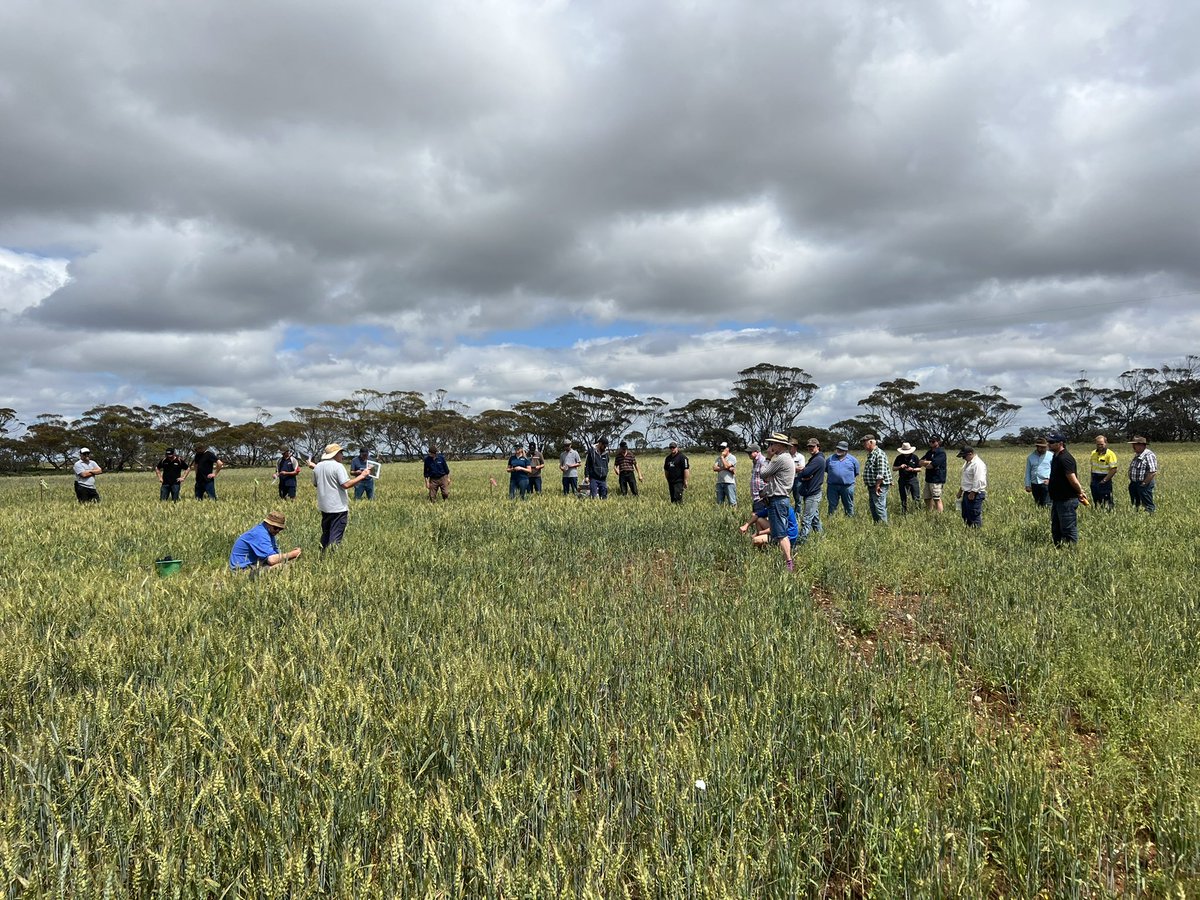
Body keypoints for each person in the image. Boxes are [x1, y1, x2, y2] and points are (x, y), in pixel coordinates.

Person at [312, 443, 371, 550]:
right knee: (336, 535)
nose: (342, 456)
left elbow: (315, 484)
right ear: (335, 454)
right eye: (341, 453)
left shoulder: (318, 466)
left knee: (326, 533)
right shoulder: (338, 466)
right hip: (338, 507)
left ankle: (322, 553)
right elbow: (346, 484)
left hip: (324, 506)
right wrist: (362, 476)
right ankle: (332, 555)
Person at [760, 433, 797, 571]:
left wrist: (768, 458)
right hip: (780, 499)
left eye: (772, 444)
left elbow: (763, 473)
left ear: (780, 445)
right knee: (779, 531)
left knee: (781, 534)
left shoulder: (780, 459)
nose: (770, 447)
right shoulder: (786, 458)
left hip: (778, 499)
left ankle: (789, 562)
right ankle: (786, 559)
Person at [1047, 433, 1088, 546]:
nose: (1049, 444)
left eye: (1052, 442)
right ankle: (1059, 549)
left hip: (1067, 500)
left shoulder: (1065, 458)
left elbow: (1073, 479)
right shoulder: (1056, 457)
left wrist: (1080, 492)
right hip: (1057, 499)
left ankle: (1072, 551)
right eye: (1048, 442)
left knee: (1068, 529)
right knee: (1056, 529)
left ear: (1060, 443)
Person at [229, 510, 301, 571]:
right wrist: (293, 554)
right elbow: (272, 560)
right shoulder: (260, 534)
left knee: (289, 565)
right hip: (241, 570)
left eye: (280, 529)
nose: (277, 531)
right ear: (267, 524)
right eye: (275, 528)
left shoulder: (269, 532)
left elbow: (276, 556)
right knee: (284, 567)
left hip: (254, 565)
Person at [796, 438, 826, 543]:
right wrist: (803, 474)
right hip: (811, 492)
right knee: (815, 519)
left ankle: (801, 542)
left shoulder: (818, 460)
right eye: (809, 446)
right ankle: (821, 538)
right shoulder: (814, 458)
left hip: (812, 493)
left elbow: (805, 473)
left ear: (818, 447)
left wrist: (801, 472)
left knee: (806, 520)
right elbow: (805, 474)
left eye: (813, 446)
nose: (810, 448)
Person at [861, 434, 891, 524]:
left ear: (871, 442)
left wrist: (878, 485)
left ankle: (884, 526)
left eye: (865, 443)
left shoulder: (879, 454)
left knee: (879, 506)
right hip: (872, 485)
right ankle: (877, 524)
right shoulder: (871, 454)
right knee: (873, 506)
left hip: (879, 485)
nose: (863, 445)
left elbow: (881, 472)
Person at [955, 446, 988, 527]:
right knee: (966, 515)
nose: (963, 458)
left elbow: (979, 480)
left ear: (970, 454)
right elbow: (966, 479)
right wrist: (960, 491)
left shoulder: (978, 464)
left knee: (974, 515)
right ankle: (969, 531)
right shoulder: (968, 463)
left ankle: (976, 532)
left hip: (975, 494)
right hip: (967, 493)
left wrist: (973, 493)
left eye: (964, 456)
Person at [825, 441, 859, 516]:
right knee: (832, 505)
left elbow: (856, 472)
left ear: (846, 450)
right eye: (838, 449)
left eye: (841, 449)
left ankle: (850, 519)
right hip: (832, 487)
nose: (839, 450)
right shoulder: (830, 459)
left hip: (847, 487)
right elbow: (827, 469)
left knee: (849, 505)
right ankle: (831, 519)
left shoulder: (853, 460)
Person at [1127, 436, 1157, 513]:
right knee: (1135, 503)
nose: (1133, 447)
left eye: (1135, 445)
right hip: (1134, 483)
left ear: (1141, 445)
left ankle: (1150, 515)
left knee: (1147, 503)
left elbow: (1152, 472)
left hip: (1144, 484)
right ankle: (1137, 514)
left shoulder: (1149, 455)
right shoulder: (1138, 455)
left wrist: (1144, 483)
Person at [919, 436, 948, 512]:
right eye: (930, 441)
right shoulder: (929, 452)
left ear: (938, 442)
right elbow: (920, 462)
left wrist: (926, 463)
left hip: (937, 479)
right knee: (926, 498)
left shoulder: (941, 452)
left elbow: (932, 465)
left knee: (936, 498)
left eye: (933, 441)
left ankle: (939, 514)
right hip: (928, 478)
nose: (931, 443)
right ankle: (930, 512)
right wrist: (928, 462)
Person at [1089, 435, 1118, 510]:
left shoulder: (1110, 454)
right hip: (1095, 479)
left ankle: (1109, 513)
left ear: (1106, 443)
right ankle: (1098, 512)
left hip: (1105, 479)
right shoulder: (1093, 453)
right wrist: (1091, 480)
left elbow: (1114, 469)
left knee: (1107, 500)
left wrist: (1104, 480)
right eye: (1098, 444)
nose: (1099, 446)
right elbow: (1092, 467)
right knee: (1096, 499)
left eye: (1101, 444)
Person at [892, 441, 921, 513]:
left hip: (913, 479)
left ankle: (917, 511)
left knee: (916, 496)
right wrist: (900, 467)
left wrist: (912, 469)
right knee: (903, 497)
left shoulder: (915, 457)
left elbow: (919, 469)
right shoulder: (899, 458)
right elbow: (894, 468)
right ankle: (904, 511)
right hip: (902, 479)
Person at [1023, 437, 1052, 507]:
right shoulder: (1030, 457)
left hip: (1046, 483)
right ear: (1037, 447)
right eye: (1042, 447)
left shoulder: (1051, 456)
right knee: (1038, 503)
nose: (1044, 449)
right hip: (1035, 484)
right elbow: (1028, 472)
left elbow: (1055, 470)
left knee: (1047, 504)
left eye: (1045, 447)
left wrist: (1050, 480)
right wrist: (1027, 485)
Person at [713, 441, 737, 505]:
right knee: (719, 502)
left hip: (729, 482)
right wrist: (727, 468)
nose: (722, 450)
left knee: (732, 502)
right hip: (720, 482)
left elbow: (726, 465)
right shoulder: (718, 458)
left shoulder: (732, 457)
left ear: (728, 449)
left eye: (723, 448)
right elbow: (714, 468)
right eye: (721, 448)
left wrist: (722, 458)